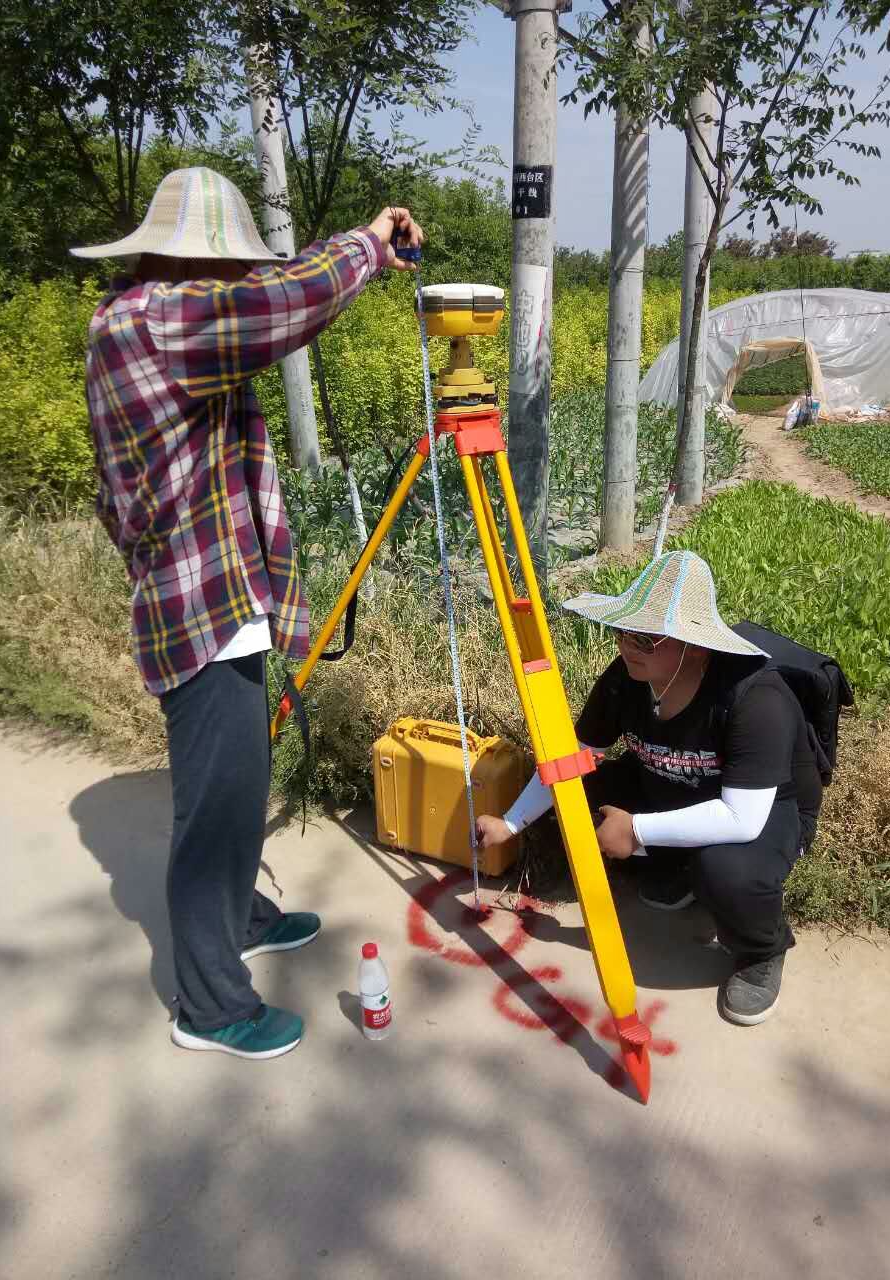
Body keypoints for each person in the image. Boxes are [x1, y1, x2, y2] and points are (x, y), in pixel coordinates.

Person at [72, 167, 424, 1059]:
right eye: (230, 265)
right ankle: (209, 1005)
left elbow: (119, 496)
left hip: (219, 593)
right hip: (199, 607)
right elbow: (286, 300)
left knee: (240, 784)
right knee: (212, 811)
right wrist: (368, 245)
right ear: (192, 261)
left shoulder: (145, 321)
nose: (239, 278)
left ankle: (242, 919)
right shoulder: (156, 323)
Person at [476, 550, 821, 1026]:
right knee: (577, 795)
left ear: (695, 646)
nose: (627, 646)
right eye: (622, 631)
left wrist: (636, 830)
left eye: (645, 637)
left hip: (764, 808)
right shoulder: (626, 679)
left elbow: (742, 819)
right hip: (669, 783)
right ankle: (676, 869)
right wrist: (510, 823)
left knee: (725, 869)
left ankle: (761, 949)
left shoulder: (756, 698)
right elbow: (569, 760)